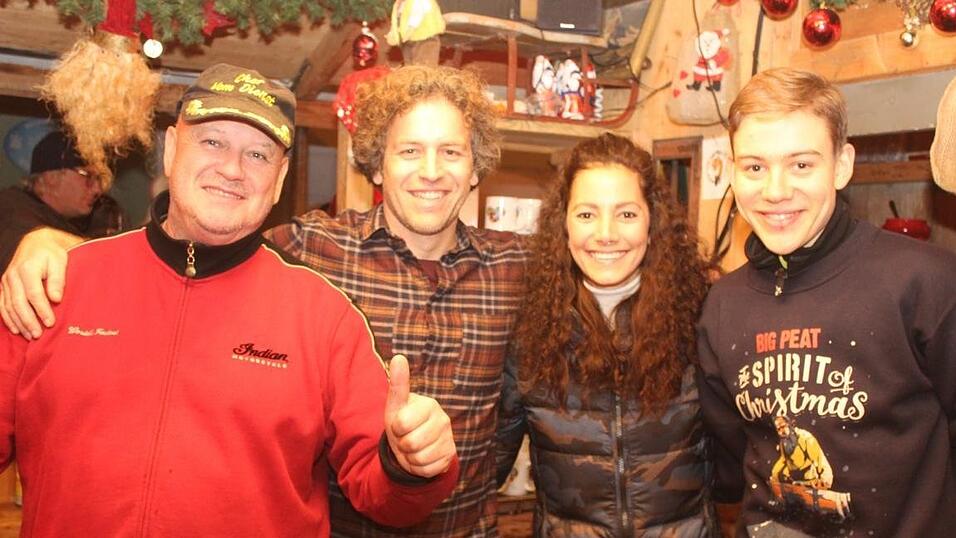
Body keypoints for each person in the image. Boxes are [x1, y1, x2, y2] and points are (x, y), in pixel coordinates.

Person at [0, 64, 527, 537]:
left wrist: (409, 462)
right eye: (212, 142)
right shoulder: (53, 288)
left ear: (279, 179)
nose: (233, 169)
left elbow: (378, 481)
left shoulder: (324, 310)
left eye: (257, 154)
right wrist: (44, 241)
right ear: (171, 149)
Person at [696, 68, 956, 538]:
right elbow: (733, 457)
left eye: (801, 165)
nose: (775, 191)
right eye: (754, 167)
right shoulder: (721, 305)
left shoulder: (927, 282)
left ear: (841, 166)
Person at [497, 133, 713, 536]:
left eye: (626, 214)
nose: (606, 233)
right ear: (563, 224)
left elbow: (739, 462)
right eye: (586, 214)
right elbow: (490, 463)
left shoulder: (702, 318)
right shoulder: (529, 330)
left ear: (653, 222)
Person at [0, 129, 102, 271]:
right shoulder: (11, 211)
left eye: (99, 179)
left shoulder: (51, 217)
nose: (97, 189)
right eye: (87, 176)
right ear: (51, 177)